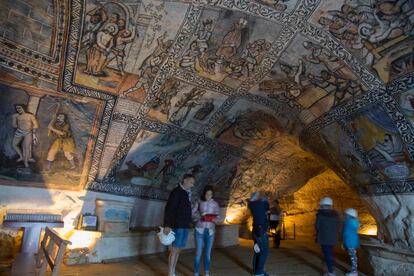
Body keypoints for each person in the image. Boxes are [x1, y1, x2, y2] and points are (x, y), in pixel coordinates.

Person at [163, 174, 195, 276]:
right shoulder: (176, 192)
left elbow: (185, 209)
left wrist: (190, 222)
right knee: (174, 250)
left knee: (178, 250)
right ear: (185, 180)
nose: (192, 185)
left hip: (184, 225)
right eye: (191, 182)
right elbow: (169, 209)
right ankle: (170, 273)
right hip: (177, 225)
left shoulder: (185, 193)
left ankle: (173, 272)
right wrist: (167, 225)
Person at [192, 185, 220, 276]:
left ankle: (207, 272)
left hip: (210, 231)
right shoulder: (199, 202)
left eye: (210, 194)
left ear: (212, 195)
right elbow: (192, 213)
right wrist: (200, 216)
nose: (209, 196)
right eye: (207, 194)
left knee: (208, 253)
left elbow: (218, 217)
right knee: (198, 253)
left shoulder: (215, 204)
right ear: (204, 194)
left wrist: (215, 219)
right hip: (199, 230)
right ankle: (196, 273)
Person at [315, 197, 340, 276]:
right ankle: (331, 269)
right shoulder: (335, 215)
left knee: (327, 254)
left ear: (322, 206)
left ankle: (331, 272)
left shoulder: (320, 215)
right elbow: (338, 226)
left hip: (324, 238)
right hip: (333, 238)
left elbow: (317, 226)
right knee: (330, 253)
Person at [248, 192, 270, 276]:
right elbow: (268, 212)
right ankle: (259, 272)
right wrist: (265, 200)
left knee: (257, 251)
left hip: (255, 230)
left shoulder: (251, 204)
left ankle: (255, 271)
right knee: (264, 252)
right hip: (261, 231)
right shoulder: (263, 203)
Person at [343, 208, 360, 276]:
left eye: (346, 215)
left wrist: (344, 243)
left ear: (349, 215)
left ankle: (354, 272)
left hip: (349, 242)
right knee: (354, 257)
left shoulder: (348, 222)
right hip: (354, 242)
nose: (345, 216)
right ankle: (354, 271)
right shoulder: (356, 222)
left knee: (353, 258)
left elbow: (346, 233)